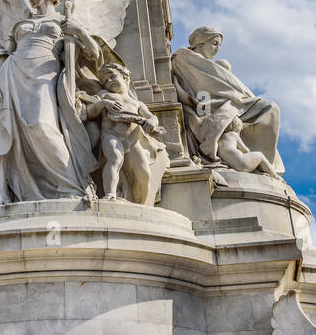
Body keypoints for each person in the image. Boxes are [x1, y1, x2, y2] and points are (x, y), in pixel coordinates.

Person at [0, 0, 100, 202]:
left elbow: (94, 54)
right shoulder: (20, 23)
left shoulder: (65, 20)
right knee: (14, 134)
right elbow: (3, 58)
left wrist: (79, 31)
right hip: (12, 75)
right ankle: (23, 190)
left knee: (42, 125)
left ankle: (72, 187)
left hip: (46, 75)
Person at [172, 26, 285, 179]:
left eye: (219, 45)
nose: (217, 48)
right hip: (209, 103)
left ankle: (263, 166)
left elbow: (223, 85)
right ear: (200, 42)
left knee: (271, 109)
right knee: (270, 108)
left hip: (224, 102)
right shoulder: (184, 58)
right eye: (214, 43)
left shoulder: (207, 64)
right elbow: (202, 90)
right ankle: (263, 167)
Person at [78, 63, 166, 204]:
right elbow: (89, 112)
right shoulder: (104, 95)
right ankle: (110, 194)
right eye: (106, 81)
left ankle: (142, 203)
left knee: (144, 173)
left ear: (126, 78)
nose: (110, 81)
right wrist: (104, 103)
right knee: (114, 158)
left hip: (133, 140)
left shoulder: (136, 103)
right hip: (111, 135)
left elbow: (151, 117)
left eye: (113, 76)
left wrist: (152, 122)